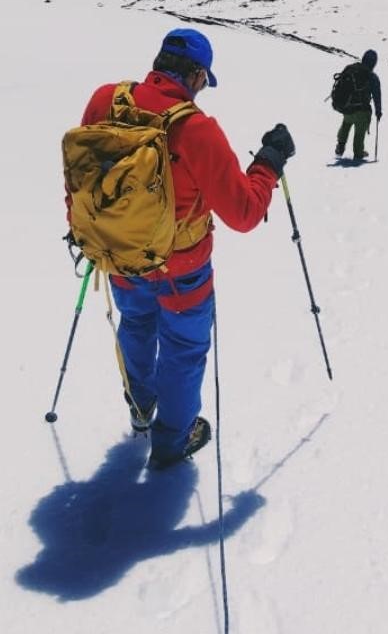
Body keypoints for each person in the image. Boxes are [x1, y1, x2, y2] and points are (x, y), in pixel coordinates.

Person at [74, 27, 294, 470]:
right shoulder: (196, 130)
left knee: (136, 323)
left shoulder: (104, 100)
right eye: (203, 81)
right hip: (182, 269)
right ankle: (172, 440)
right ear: (195, 75)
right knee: (183, 349)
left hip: (121, 255)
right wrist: (268, 163)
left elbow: (80, 173)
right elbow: (244, 213)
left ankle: (141, 407)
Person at [335, 49, 382, 163]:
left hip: (347, 108)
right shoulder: (372, 77)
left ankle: (340, 146)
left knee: (346, 125)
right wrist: (378, 111)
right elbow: (376, 96)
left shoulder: (351, 70)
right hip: (362, 111)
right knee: (359, 133)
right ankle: (358, 152)